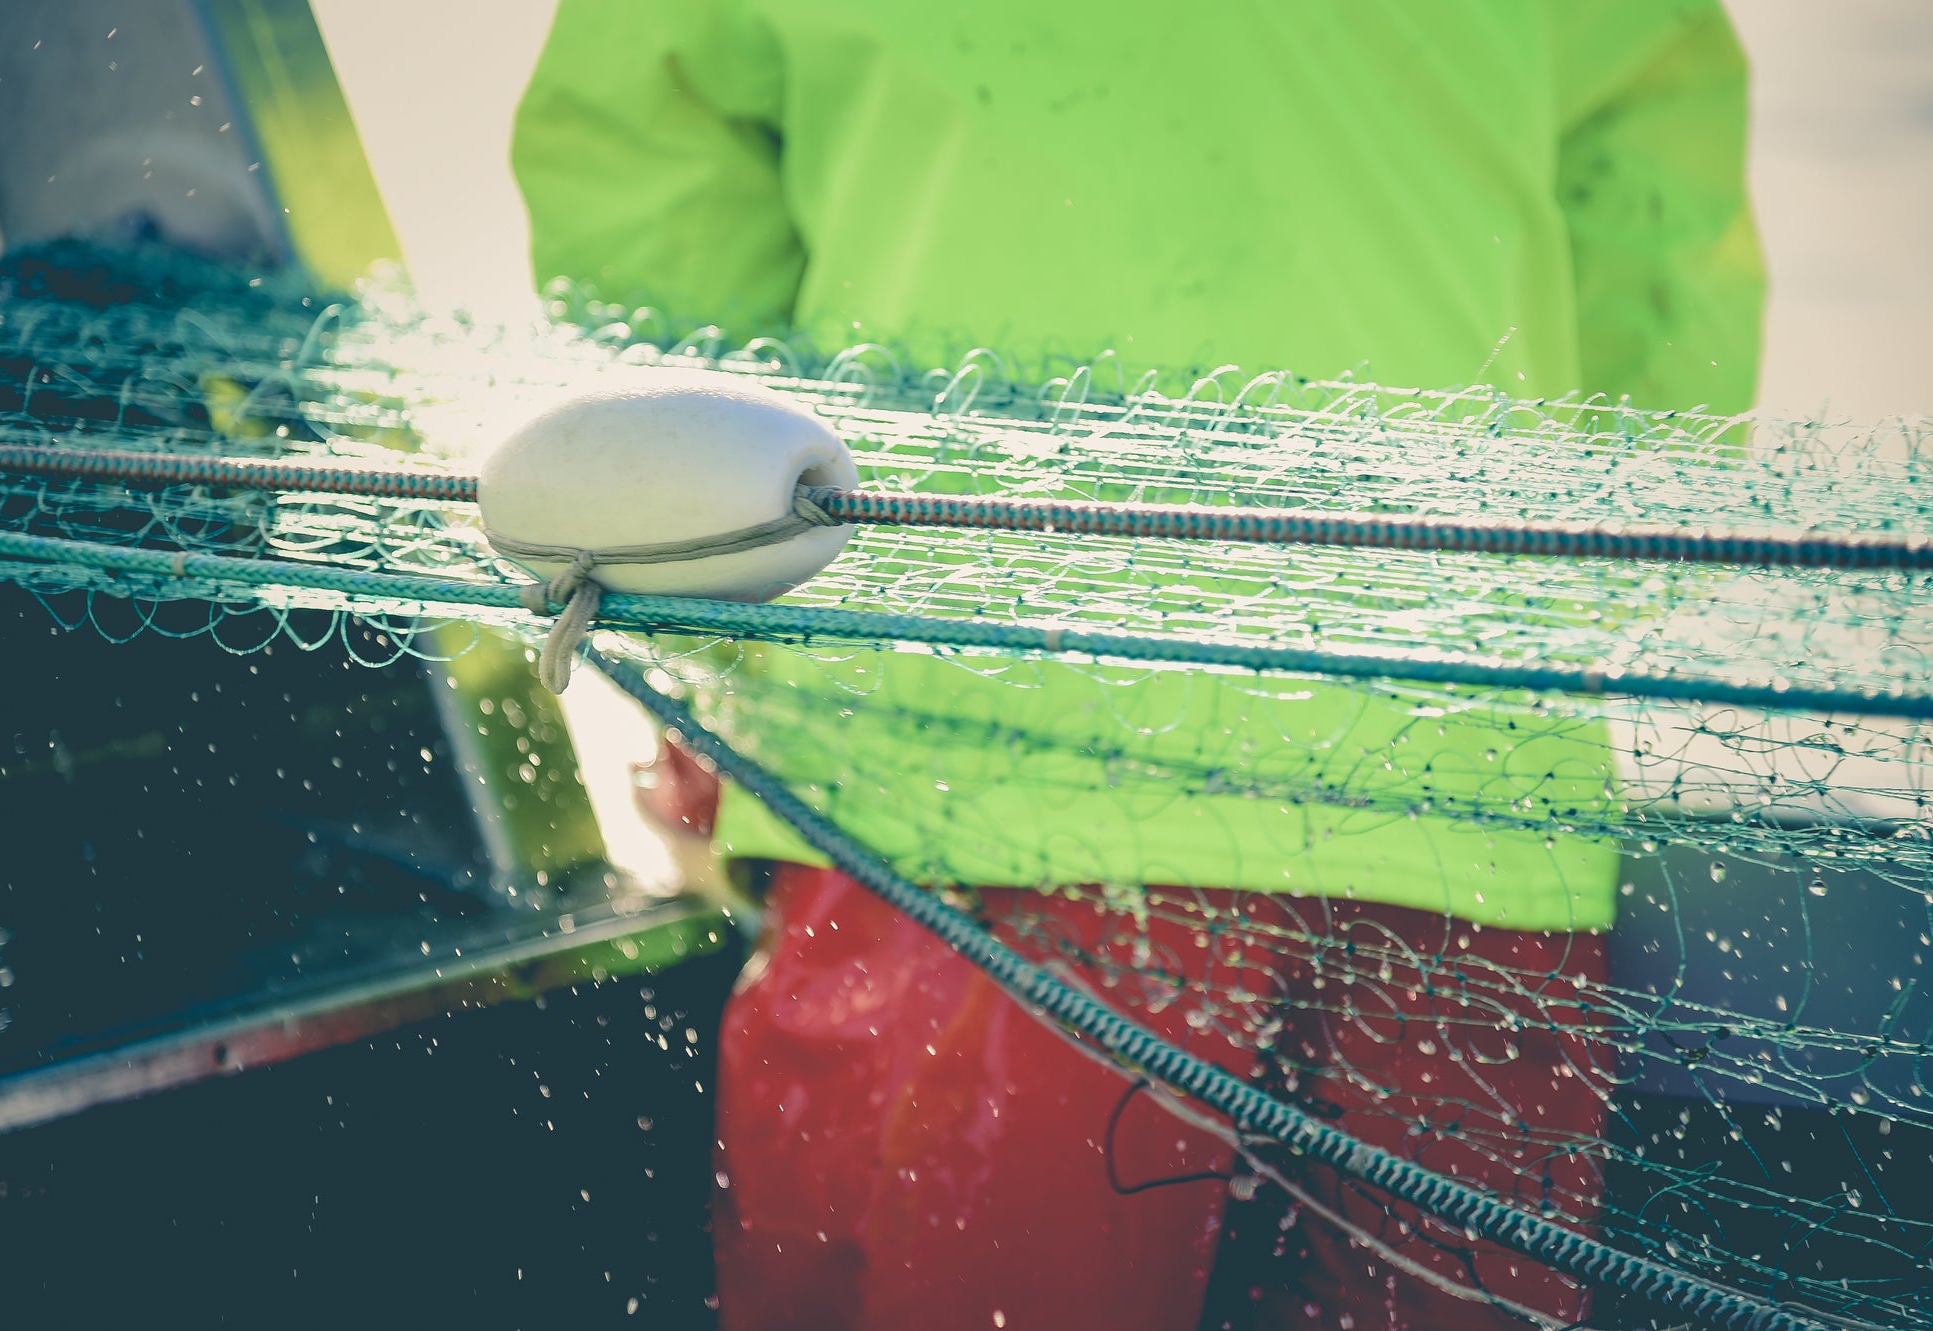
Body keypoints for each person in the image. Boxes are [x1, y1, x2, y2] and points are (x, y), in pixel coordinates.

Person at [511, 3, 1763, 1327]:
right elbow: (1660, 250)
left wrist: (724, 648)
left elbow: (643, 198)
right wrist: (1557, 629)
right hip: (1466, 803)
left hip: (960, 785)